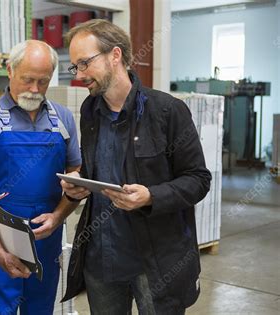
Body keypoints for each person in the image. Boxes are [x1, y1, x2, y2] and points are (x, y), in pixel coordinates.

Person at [60, 19, 212, 315]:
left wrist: (151, 196)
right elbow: (98, 170)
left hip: (154, 263)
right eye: (74, 67)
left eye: (84, 64)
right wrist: (80, 183)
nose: (79, 75)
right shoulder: (90, 112)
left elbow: (198, 179)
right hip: (102, 259)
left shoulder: (167, 111)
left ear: (115, 55)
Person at [0, 40, 82, 314]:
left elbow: (76, 182)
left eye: (43, 81)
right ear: (10, 70)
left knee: (41, 308)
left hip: (46, 238)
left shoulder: (62, 119)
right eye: (28, 79)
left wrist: (58, 217)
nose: (35, 89)